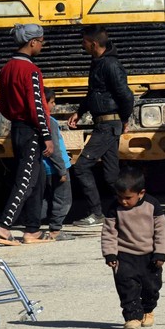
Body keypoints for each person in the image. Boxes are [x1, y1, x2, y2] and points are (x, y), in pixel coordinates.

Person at [0, 23, 55, 246]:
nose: (41, 46)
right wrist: (46, 135)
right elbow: (36, 106)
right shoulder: (31, 70)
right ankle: (4, 227)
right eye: (40, 42)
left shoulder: (7, 68)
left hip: (17, 128)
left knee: (37, 180)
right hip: (31, 130)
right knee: (26, 181)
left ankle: (33, 230)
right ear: (32, 42)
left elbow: (3, 105)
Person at [69, 25, 135, 227]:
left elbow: (126, 95)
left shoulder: (110, 65)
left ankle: (96, 213)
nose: (83, 46)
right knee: (111, 174)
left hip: (108, 125)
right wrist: (79, 112)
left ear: (94, 44)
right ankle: (131, 211)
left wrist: (124, 119)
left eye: (84, 42)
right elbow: (93, 93)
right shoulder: (97, 62)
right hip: (104, 124)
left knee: (81, 167)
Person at [102, 167, 165, 329]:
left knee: (151, 288)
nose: (123, 201)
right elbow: (109, 233)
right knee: (126, 288)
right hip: (124, 255)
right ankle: (132, 317)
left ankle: (148, 309)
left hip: (149, 256)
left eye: (127, 198)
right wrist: (110, 253)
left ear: (141, 193)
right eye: (119, 197)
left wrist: (160, 253)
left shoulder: (152, 205)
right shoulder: (114, 208)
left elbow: (160, 231)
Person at [41, 89, 74, 241]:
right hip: (57, 168)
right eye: (52, 102)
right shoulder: (50, 121)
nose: (54, 105)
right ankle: (55, 230)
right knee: (63, 199)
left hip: (45, 169)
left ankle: (36, 225)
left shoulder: (37, 121)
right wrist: (62, 170)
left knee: (46, 198)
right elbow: (54, 148)